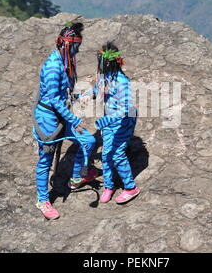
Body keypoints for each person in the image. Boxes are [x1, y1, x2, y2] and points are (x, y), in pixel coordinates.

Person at [33, 22, 97, 220]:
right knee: (46, 160)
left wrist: (87, 95)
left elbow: (63, 95)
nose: (77, 52)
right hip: (48, 120)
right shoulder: (53, 66)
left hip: (61, 114)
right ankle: (43, 200)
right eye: (76, 48)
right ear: (68, 45)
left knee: (88, 141)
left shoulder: (64, 62)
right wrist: (73, 118)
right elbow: (53, 99)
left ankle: (77, 176)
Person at [81, 42, 140, 204]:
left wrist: (107, 119)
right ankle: (109, 186)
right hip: (108, 121)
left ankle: (130, 187)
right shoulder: (104, 76)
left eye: (100, 61)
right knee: (107, 154)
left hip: (123, 122)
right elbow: (95, 89)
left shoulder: (122, 82)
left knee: (117, 154)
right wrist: (86, 94)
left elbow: (126, 108)